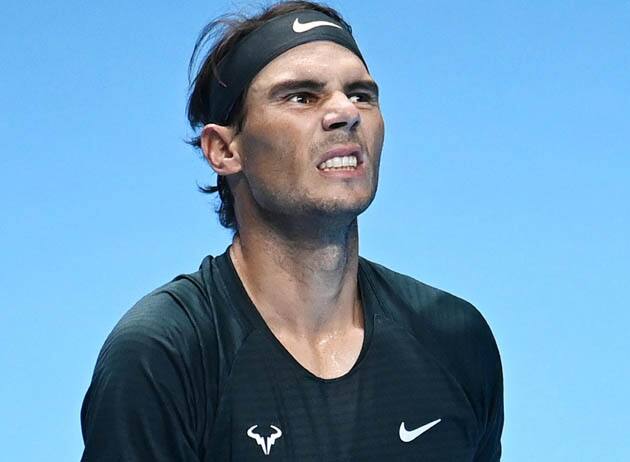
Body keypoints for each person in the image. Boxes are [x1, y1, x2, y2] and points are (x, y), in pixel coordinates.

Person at [80, 1, 504, 460]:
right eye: (301, 96)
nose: (346, 112)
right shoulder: (162, 358)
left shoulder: (455, 340)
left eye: (361, 94)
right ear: (223, 150)